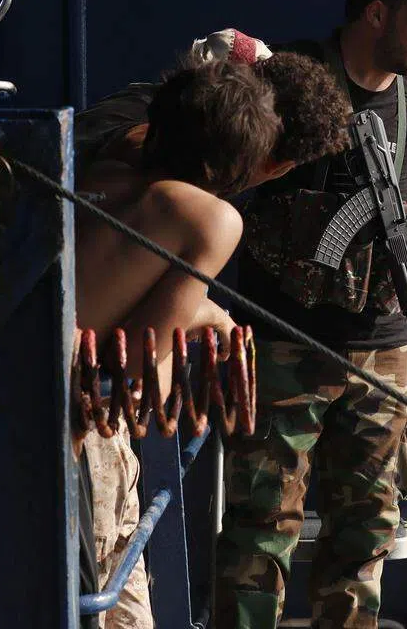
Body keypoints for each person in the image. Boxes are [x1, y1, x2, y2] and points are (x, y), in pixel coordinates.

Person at [216, 0, 407, 629]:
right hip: (285, 341)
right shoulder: (294, 79)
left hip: (383, 349)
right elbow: (223, 168)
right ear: (378, 12)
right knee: (261, 525)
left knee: (368, 531)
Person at [75, 34, 351, 629]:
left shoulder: (108, 167)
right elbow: (142, 377)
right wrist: (210, 318)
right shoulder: (208, 217)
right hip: (81, 438)